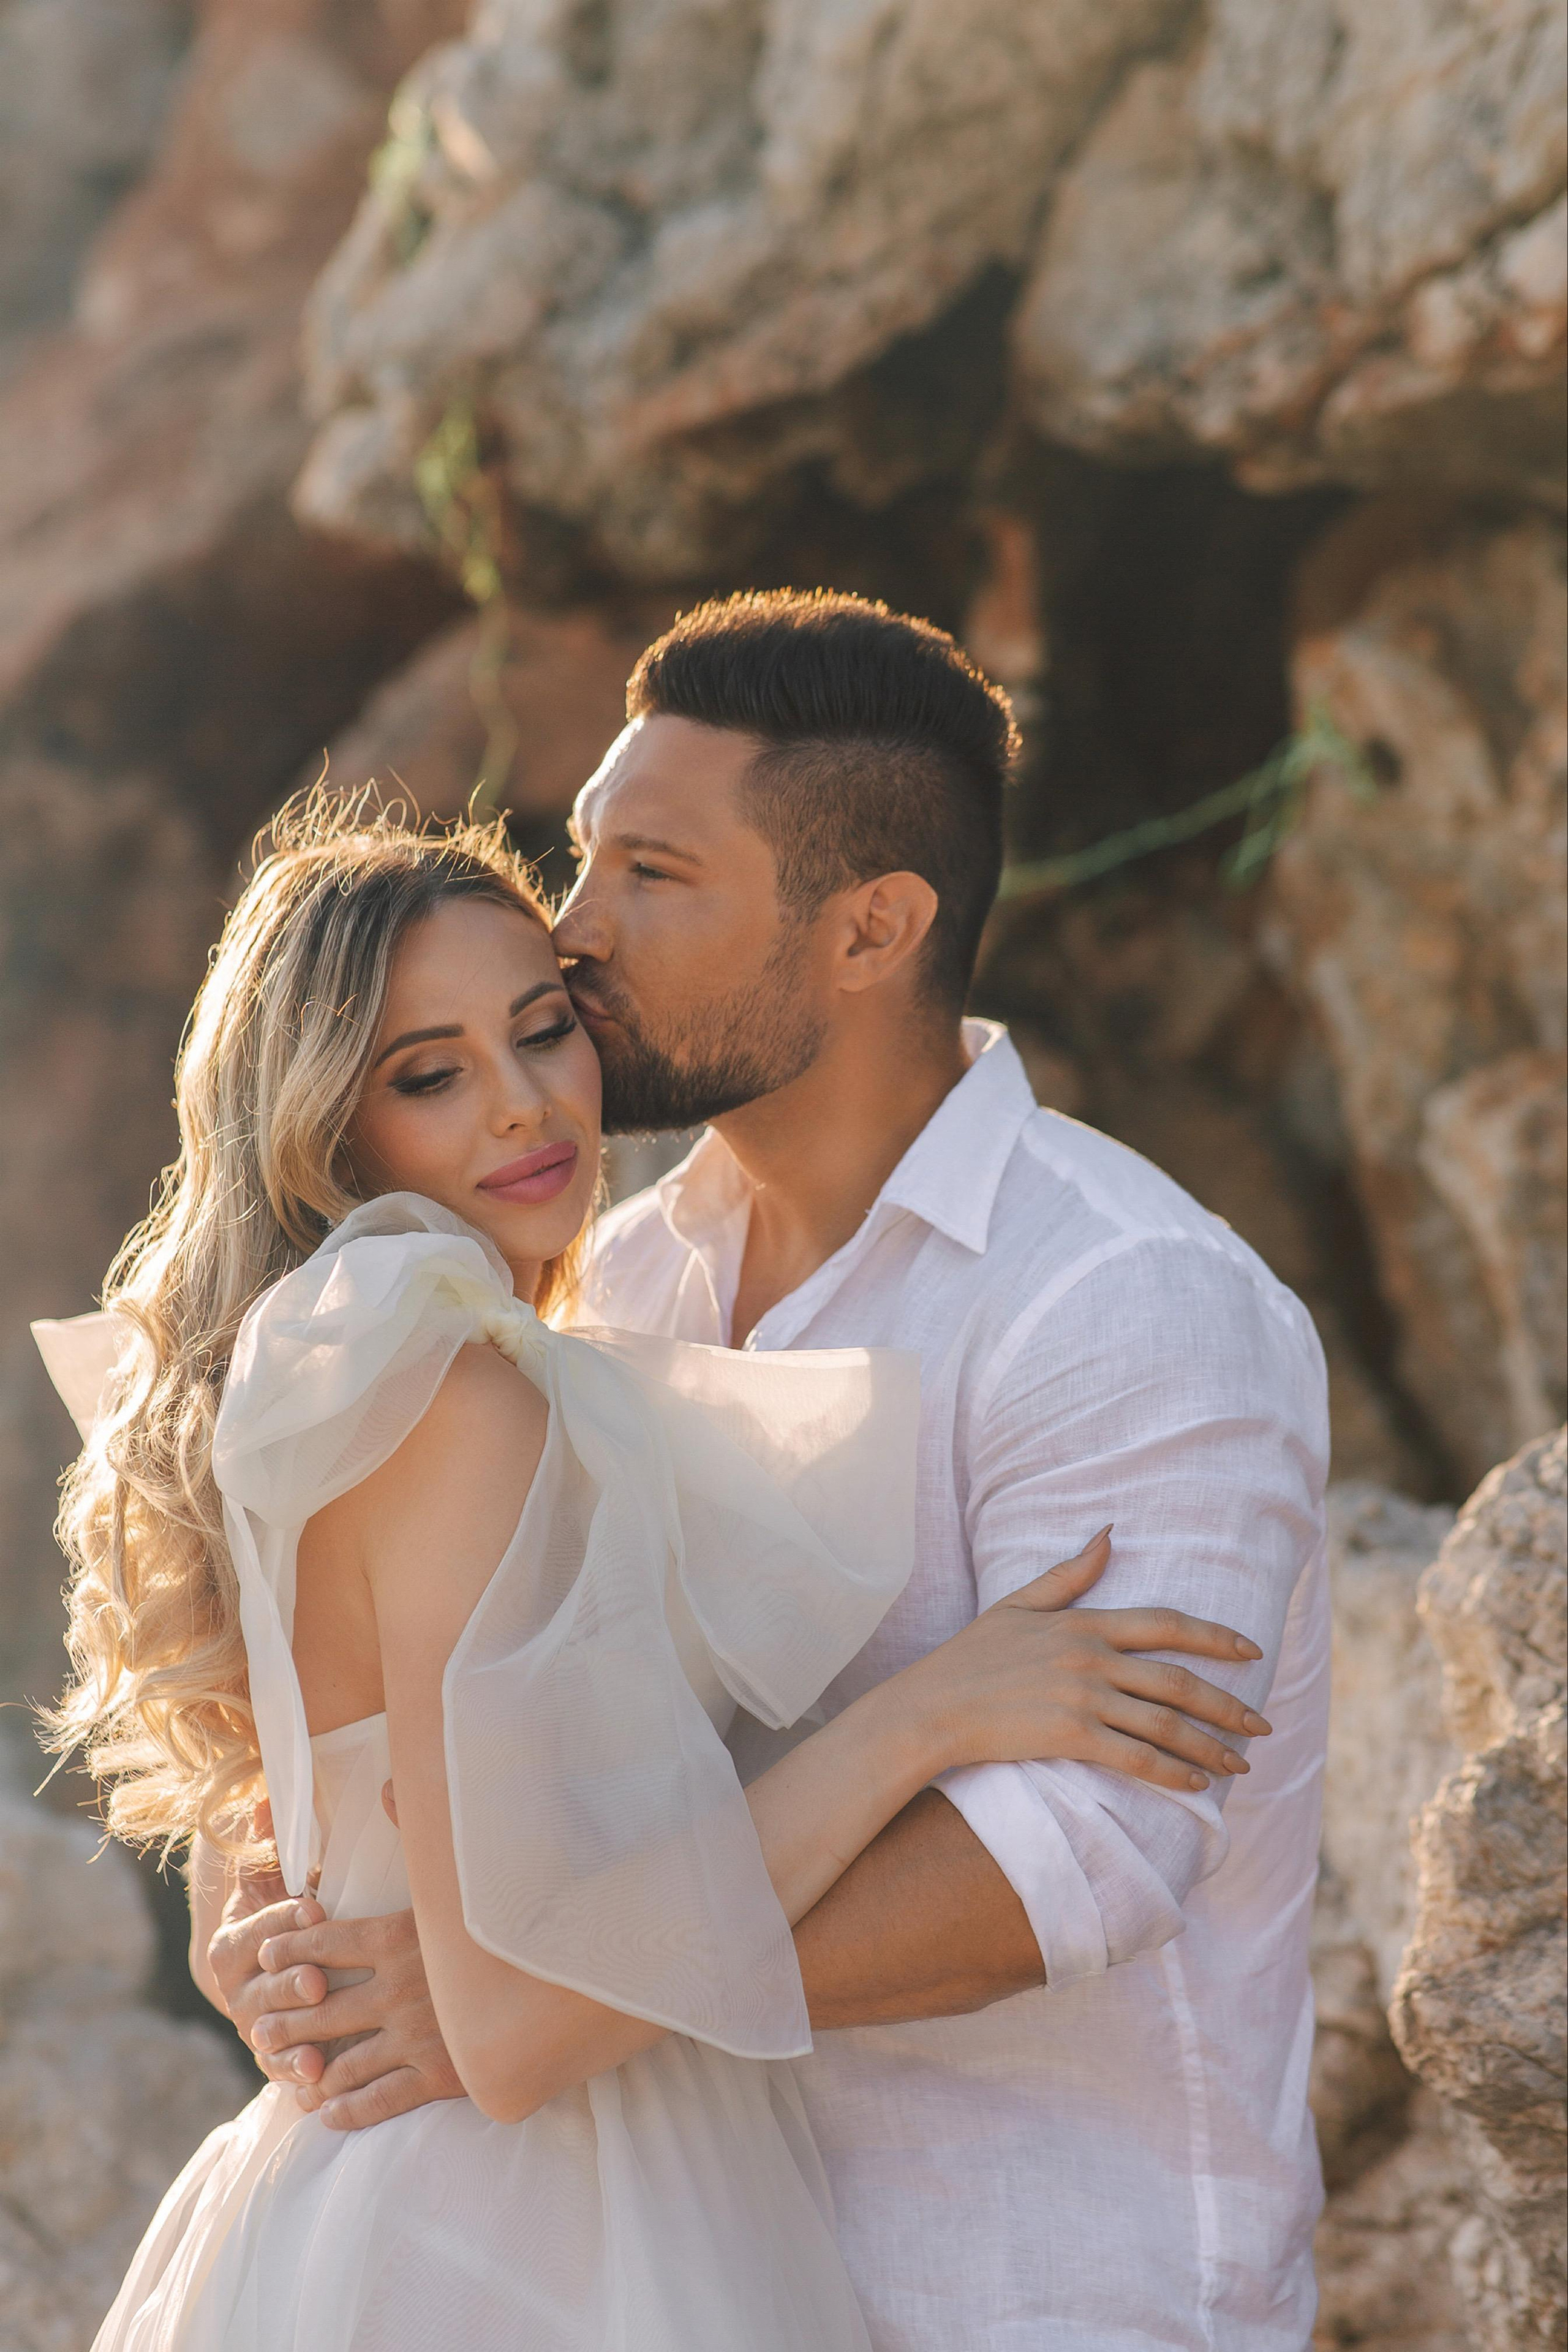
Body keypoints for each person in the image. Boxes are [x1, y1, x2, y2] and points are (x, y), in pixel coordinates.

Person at [219, 593, 1333, 2351]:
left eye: (651, 873)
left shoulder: (1129, 1303)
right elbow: (437, 1722)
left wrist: (534, 1991)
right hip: (656, 2264)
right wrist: (272, 1914)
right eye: (584, 858)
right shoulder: (609, 1279)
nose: (573, 935)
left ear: (870, 928)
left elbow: (1071, 1869)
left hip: (1034, 2290)